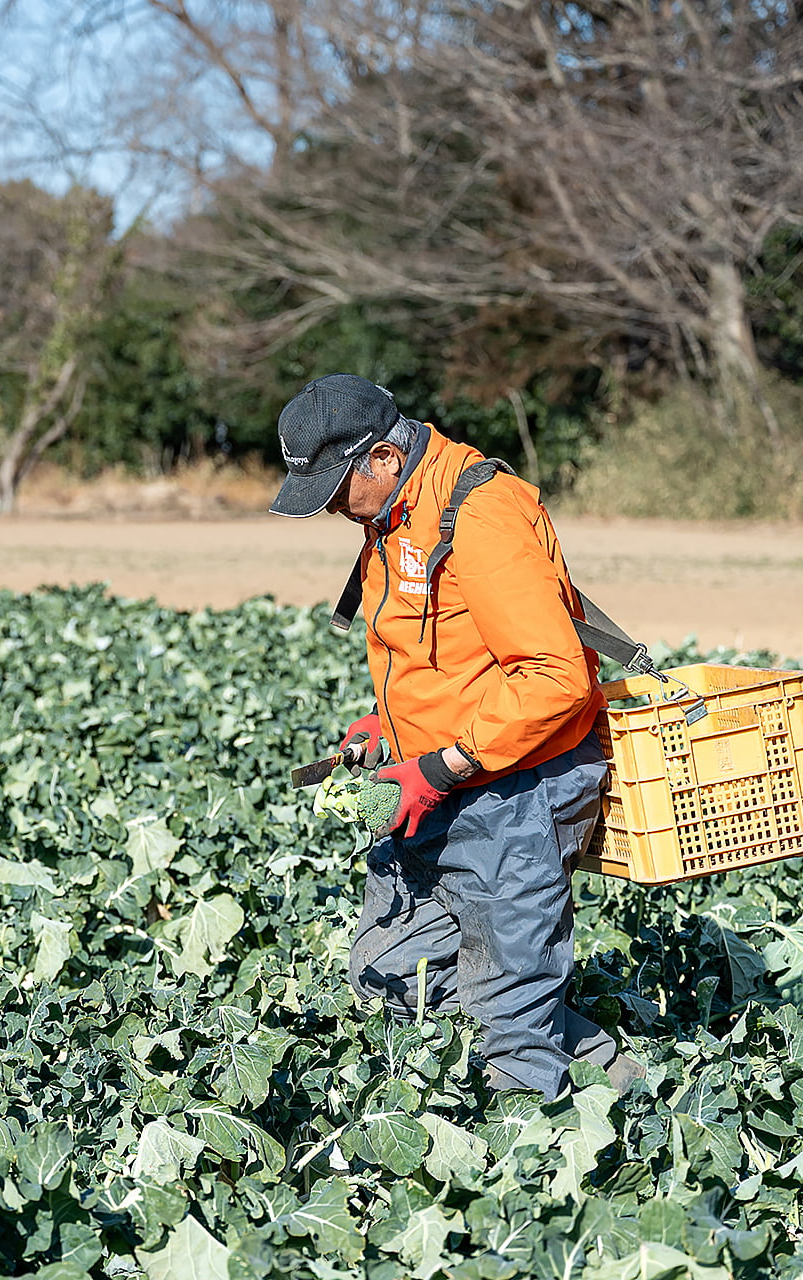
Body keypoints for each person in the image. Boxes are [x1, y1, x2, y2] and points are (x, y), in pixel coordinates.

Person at [269, 372, 642, 1099]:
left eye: (337, 488)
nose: (334, 510)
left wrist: (439, 764)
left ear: (382, 457)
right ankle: (604, 1067)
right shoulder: (393, 514)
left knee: (505, 1028)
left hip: (520, 787)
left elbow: (555, 678)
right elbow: (441, 649)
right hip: (444, 777)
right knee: (389, 970)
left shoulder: (480, 514)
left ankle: (551, 1154)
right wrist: (390, 724)